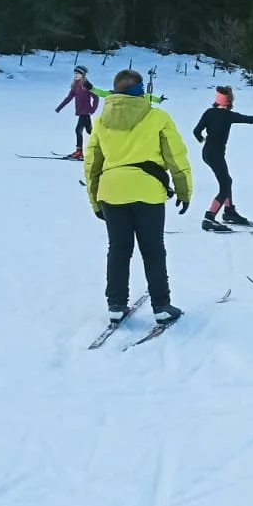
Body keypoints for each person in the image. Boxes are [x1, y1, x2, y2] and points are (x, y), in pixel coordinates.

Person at [84, 68, 193, 325]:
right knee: (153, 249)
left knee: (118, 249)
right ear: (141, 90)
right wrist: (184, 190)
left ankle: (115, 304)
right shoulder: (157, 117)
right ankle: (161, 305)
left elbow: (92, 164)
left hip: (111, 192)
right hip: (148, 193)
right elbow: (175, 157)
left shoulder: (100, 121)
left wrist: (94, 199)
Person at [192, 84, 253, 230]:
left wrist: (203, 140)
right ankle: (209, 217)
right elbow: (247, 119)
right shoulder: (228, 115)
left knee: (227, 181)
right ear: (229, 101)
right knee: (224, 187)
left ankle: (229, 212)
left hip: (207, 153)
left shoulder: (209, 112)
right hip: (216, 155)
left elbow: (196, 131)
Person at [54, 65, 104, 159]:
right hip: (81, 111)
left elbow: (96, 97)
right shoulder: (75, 85)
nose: (75, 75)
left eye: (78, 73)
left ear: (83, 75)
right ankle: (84, 151)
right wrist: (59, 107)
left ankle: (80, 152)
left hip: (85, 112)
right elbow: (69, 98)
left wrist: (92, 109)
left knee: (80, 131)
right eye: (75, 73)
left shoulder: (86, 85)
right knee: (89, 131)